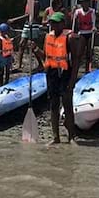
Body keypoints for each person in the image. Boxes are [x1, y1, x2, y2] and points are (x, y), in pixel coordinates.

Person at [31, 12, 81, 145]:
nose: (53, 25)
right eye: (52, 22)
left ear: (63, 24)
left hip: (65, 73)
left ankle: (71, 137)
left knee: (67, 104)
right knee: (53, 105)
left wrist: (72, 80)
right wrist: (35, 49)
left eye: (56, 22)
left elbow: (76, 61)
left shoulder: (69, 38)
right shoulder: (48, 37)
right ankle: (55, 137)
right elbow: (45, 56)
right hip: (52, 73)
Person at [10, 0, 43, 71]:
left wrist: (15, 19)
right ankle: (19, 66)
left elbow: (29, 15)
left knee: (33, 46)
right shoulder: (28, 3)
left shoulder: (35, 3)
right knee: (21, 45)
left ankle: (41, 64)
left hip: (33, 25)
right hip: (26, 25)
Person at [73, 0, 96, 72]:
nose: (84, 4)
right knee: (79, 52)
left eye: (86, 3)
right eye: (83, 3)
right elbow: (74, 22)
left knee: (89, 52)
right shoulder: (77, 12)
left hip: (89, 33)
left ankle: (87, 69)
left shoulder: (92, 11)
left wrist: (94, 28)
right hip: (82, 33)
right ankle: (76, 69)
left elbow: (93, 22)